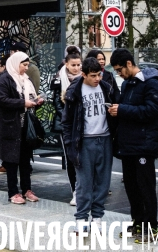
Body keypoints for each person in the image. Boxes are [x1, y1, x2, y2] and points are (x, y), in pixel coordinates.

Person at [109, 48, 158, 244]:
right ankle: (138, 222)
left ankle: (152, 226)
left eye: (119, 70)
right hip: (128, 144)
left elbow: (154, 110)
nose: (119, 74)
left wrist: (122, 110)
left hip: (144, 143)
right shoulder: (127, 85)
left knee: (146, 187)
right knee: (132, 187)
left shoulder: (150, 83)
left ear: (129, 64)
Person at [62, 57, 116, 233]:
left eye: (99, 75)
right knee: (84, 183)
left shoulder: (106, 88)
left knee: (103, 182)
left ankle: (98, 217)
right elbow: (67, 122)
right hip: (84, 140)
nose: (97, 79)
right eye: (93, 76)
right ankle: (81, 218)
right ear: (83, 74)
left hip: (105, 138)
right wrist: (70, 145)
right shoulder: (75, 92)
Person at [0, 52, 43, 204]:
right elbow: (1, 100)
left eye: (27, 65)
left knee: (25, 161)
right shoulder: (5, 80)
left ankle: (27, 190)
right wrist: (22, 103)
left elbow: (29, 98)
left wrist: (37, 102)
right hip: (11, 127)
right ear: (16, 64)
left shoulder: (25, 80)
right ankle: (13, 192)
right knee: (11, 161)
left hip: (25, 127)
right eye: (24, 65)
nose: (26, 69)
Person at [51, 47, 83, 205]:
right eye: (73, 65)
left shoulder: (86, 78)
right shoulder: (59, 79)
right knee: (71, 158)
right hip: (67, 125)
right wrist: (69, 117)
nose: (76, 68)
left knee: (86, 157)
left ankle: (86, 189)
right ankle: (75, 191)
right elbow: (57, 103)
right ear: (66, 64)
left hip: (84, 125)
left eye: (79, 65)